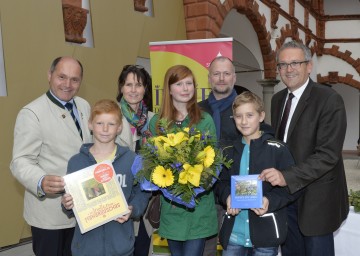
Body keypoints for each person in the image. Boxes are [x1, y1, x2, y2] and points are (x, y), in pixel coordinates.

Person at [259, 40, 348, 256]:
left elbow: (327, 155)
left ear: (308, 66)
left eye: (295, 63)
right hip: (286, 199)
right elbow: (279, 145)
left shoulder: (329, 99)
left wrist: (286, 176)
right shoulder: (278, 99)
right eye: (283, 65)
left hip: (317, 200)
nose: (288, 69)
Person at [10, 56, 92, 256]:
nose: (68, 84)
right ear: (49, 76)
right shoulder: (32, 113)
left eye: (75, 79)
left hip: (83, 208)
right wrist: (40, 180)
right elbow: (20, 161)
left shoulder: (84, 106)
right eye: (62, 77)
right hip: (49, 214)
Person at [61, 99, 150, 256]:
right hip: (86, 248)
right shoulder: (77, 162)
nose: (105, 129)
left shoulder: (132, 160)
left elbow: (142, 191)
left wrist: (133, 209)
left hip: (121, 246)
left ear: (119, 128)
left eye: (111, 124)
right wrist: (66, 204)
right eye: (100, 123)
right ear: (90, 125)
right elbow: (70, 203)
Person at [215, 91, 295, 256]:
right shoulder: (227, 151)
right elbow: (220, 183)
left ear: (261, 116)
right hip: (234, 236)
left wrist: (269, 201)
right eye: (238, 116)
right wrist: (227, 197)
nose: (244, 121)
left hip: (266, 235)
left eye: (249, 115)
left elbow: (292, 188)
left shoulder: (278, 149)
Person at [149, 65, 218, 256]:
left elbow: (213, 162)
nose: (186, 88)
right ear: (169, 89)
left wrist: (196, 185)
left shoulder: (205, 120)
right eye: (179, 84)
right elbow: (151, 162)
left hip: (199, 205)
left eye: (189, 83)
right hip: (171, 206)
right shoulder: (157, 122)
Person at [115, 64, 154, 256]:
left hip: (144, 200)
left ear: (145, 88)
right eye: (128, 84)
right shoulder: (110, 117)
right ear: (121, 87)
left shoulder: (154, 120)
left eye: (138, 85)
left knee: (141, 249)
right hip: (117, 197)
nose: (133, 90)